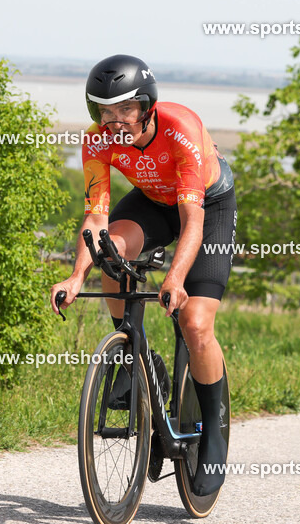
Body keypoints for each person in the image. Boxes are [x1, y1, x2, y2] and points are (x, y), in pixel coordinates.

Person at [51, 54, 236, 496]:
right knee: (109, 251)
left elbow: (192, 222)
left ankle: (214, 430)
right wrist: (76, 275)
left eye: (124, 110)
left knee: (195, 322)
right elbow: (94, 217)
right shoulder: (97, 142)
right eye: (105, 112)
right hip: (154, 201)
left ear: (147, 106)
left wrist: (175, 278)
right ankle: (134, 355)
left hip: (206, 206)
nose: (114, 121)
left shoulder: (180, 130)